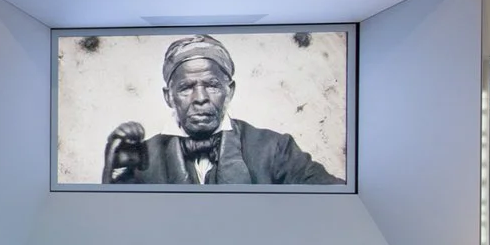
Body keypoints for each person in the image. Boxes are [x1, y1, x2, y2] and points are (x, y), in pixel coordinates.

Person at [100, 34, 340, 186]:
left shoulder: (275, 149)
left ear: (230, 90)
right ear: (168, 97)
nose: (200, 98)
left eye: (212, 85)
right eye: (186, 88)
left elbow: (337, 201)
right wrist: (113, 180)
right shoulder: (143, 159)